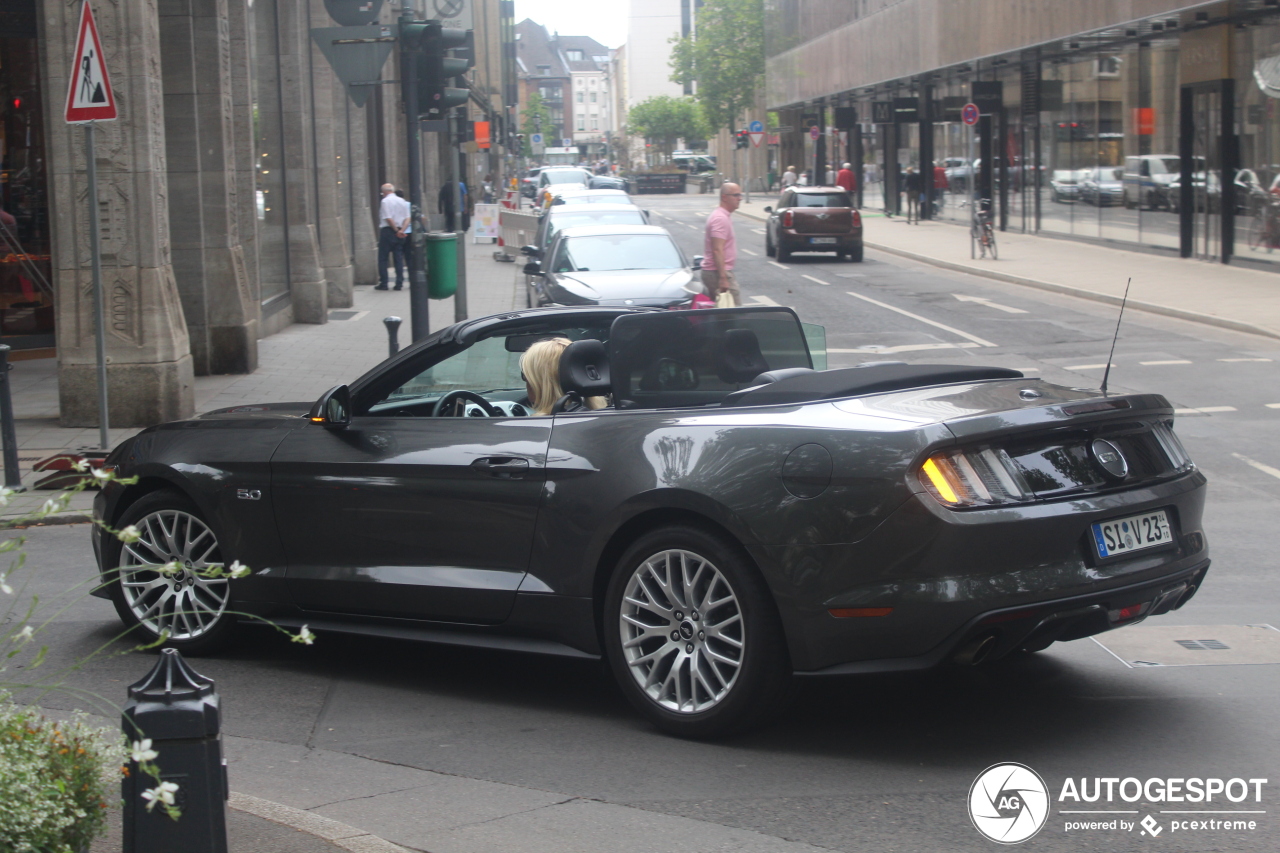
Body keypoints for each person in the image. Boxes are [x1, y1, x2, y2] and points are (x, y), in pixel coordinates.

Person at [519, 337, 607, 415]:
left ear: (542, 382)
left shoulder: (540, 426)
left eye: (527, 375)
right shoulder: (605, 414)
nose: (526, 380)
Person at [701, 182, 742, 307]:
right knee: (734, 312)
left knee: (722, 312)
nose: (739, 198)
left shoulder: (723, 216)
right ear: (724, 197)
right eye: (736, 195)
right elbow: (717, 250)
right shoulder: (720, 218)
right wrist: (723, 278)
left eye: (740, 195)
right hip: (716, 272)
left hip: (717, 271)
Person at [376, 183, 410, 290]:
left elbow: (388, 218)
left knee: (383, 258)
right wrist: (402, 230)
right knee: (398, 258)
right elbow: (408, 218)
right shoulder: (402, 201)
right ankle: (399, 283)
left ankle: (384, 283)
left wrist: (395, 230)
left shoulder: (385, 201)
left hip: (388, 231)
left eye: (382, 193)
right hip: (401, 230)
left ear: (385, 192)